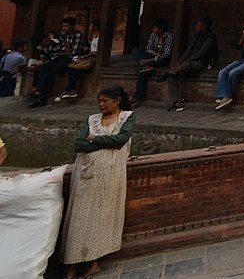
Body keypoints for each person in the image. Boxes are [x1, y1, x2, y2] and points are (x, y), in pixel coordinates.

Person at [61, 85, 135, 279]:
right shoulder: (91, 119)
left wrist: (93, 139)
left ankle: (93, 263)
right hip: (85, 174)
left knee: (101, 218)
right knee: (79, 218)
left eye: (105, 101)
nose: (101, 104)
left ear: (117, 101)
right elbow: (78, 144)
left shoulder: (127, 117)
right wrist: (106, 143)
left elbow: (121, 140)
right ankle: (72, 266)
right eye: (99, 101)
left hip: (110, 176)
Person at [155, 17, 218, 112]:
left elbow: (201, 53)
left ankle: (169, 72)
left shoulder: (210, 37)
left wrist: (186, 62)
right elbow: (189, 50)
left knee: (184, 66)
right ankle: (178, 100)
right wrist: (179, 62)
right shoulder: (197, 35)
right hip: (188, 62)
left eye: (198, 24)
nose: (196, 26)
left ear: (204, 26)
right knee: (171, 78)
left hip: (201, 62)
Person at [28, 16, 89, 107]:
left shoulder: (78, 35)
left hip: (73, 58)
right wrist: (63, 52)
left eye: (66, 26)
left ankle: (43, 97)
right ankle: (40, 92)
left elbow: (73, 52)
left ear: (72, 26)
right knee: (45, 67)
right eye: (63, 26)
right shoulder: (63, 34)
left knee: (52, 71)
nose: (64, 28)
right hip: (62, 57)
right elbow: (63, 49)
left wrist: (62, 53)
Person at [214, 14, 244, 110]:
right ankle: (221, 96)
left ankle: (228, 96)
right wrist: (243, 35)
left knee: (233, 73)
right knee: (222, 72)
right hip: (242, 59)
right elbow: (238, 46)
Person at [129, 18, 172, 105]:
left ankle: (138, 97)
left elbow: (166, 54)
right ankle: (148, 66)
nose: (154, 30)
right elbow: (148, 49)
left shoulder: (168, 36)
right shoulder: (153, 35)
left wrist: (152, 59)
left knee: (142, 72)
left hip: (162, 60)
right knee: (135, 51)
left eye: (156, 28)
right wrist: (155, 55)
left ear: (161, 29)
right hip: (153, 57)